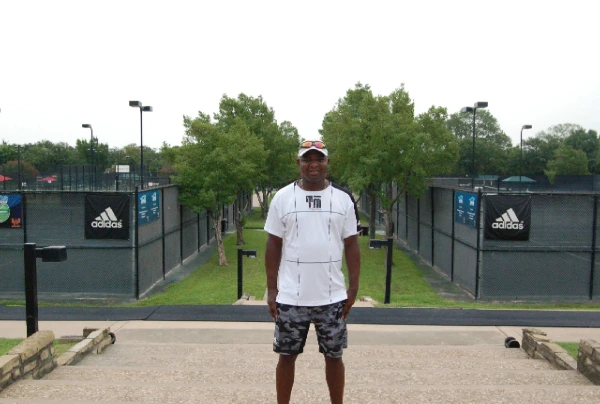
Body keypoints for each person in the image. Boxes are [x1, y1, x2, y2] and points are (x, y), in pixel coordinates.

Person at [264, 139, 361, 404]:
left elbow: (351, 244)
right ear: (299, 163)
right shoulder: (283, 198)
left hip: (331, 297)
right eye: (307, 159)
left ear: (327, 163)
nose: (313, 164)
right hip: (291, 297)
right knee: (286, 356)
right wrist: (272, 289)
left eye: (319, 159)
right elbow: (273, 243)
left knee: (334, 356)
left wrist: (353, 288)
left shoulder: (342, 200)